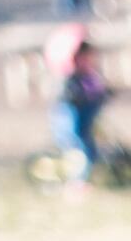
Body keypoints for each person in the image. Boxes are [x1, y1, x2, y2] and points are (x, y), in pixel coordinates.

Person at [45, 22, 107, 193]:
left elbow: (98, 91)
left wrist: (104, 94)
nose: (87, 60)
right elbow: (65, 99)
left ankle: (84, 178)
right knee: (78, 150)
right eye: (83, 56)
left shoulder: (89, 77)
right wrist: (79, 96)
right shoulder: (68, 80)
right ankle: (76, 182)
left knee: (90, 148)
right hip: (74, 122)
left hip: (87, 120)